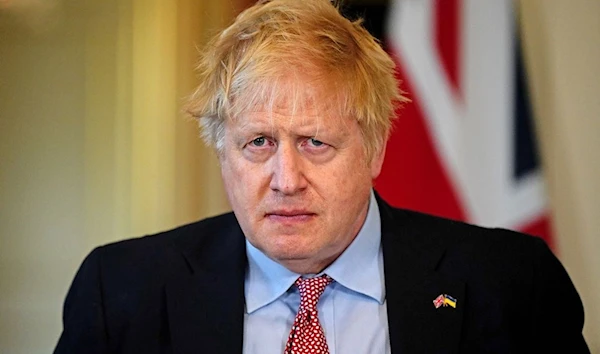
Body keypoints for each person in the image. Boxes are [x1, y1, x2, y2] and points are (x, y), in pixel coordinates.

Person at [54, 0, 589, 353]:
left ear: (375, 147)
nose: (286, 179)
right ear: (222, 151)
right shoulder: (122, 291)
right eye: (258, 143)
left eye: (316, 142)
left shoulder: (514, 285)